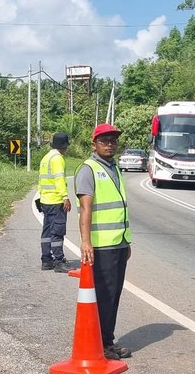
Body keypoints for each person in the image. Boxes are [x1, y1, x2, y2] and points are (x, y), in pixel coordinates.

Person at [76, 123, 133, 361]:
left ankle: (107, 340)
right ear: (94, 144)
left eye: (113, 140)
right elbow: (85, 209)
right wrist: (86, 242)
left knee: (114, 295)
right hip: (101, 245)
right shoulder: (88, 170)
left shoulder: (114, 168)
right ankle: (101, 343)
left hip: (118, 243)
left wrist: (126, 242)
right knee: (105, 295)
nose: (110, 144)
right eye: (104, 140)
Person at [37, 132, 76, 272]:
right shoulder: (58, 158)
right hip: (56, 201)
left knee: (47, 231)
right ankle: (59, 261)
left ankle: (46, 260)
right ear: (64, 146)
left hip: (46, 200)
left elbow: (41, 180)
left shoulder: (46, 158)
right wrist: (65, 197)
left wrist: (41, 197)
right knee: (57, 231)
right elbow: (59, 179)